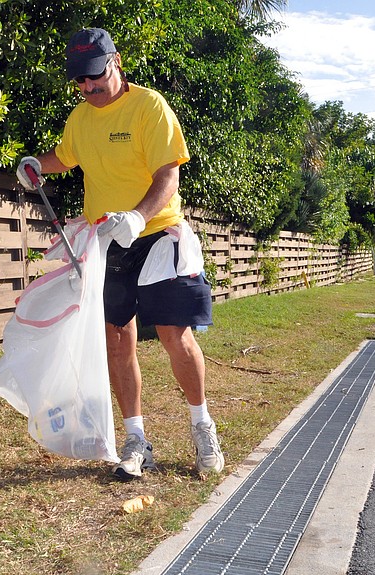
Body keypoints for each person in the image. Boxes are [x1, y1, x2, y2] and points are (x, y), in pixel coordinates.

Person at [16, 28, 224, 481]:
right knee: (116, 339)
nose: (89, 88)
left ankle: (202, 425)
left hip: (155, 234)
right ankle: (135, 441)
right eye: (80, 82)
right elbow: (66, 155)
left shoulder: (150, 107)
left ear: (117, 62)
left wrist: (137, 216)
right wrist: (36, 163)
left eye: (95, 77)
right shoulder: (80, 117)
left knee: (174, 334)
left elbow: (168, 174)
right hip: (107, 241)